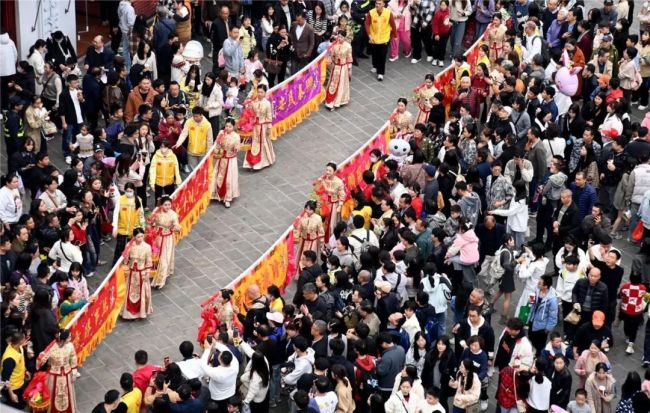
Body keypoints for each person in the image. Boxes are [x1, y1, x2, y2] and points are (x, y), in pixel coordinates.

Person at [36, 329, 78, 413]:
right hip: (53, 375)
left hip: (67, 373)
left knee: (67, 394)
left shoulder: (70, 345)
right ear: (64, 339)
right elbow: (41, 360)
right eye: (69, 337)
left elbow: (73, 357)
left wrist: (74, 371)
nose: (70, 338)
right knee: (53, 394)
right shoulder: (52, 347)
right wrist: (41, 358)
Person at [121, 228, 153, 320]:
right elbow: (126, 261)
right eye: (138, 237)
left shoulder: (147, 247)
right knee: (129, 292)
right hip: (131, 273)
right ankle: (128, 314)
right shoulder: (129, 245)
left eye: (142, 236)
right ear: (134, 237)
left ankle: (141, 312)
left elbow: (149, 261)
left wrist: (147, 273)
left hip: (141, 273)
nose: (140, 238)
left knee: (142, 294)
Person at [150, 196, 180, 289]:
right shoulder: (157, 212)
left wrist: (176, 228)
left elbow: (177, 226)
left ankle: (160, 281)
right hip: (157, 238)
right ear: (161, 205)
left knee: (164, 259)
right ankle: (156, 273)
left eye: (169, 205)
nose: (167, 207)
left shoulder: (173, 214)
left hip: (167, 239)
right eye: (165, 205)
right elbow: (151, 222)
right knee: (156, 257)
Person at [243, 84, 275, 170]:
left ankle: (262, 163)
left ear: (265, 93)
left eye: (262, 92)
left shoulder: (267, 104)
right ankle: (250, 162)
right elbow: (250, 113)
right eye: (259, 92)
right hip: (254, 126)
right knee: (253, 143)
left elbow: (269, 116)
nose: (260, 94)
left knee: (262, 142)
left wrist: (269, 127)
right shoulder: (254, 102)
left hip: (263, 126)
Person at [111, 182, 145, 264]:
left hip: (134, 229)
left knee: (132, 248)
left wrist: (142, 228)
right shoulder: (120, 199)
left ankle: (130, 264)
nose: (128, 192)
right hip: (122, 228)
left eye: (130, 191)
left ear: (133, 190)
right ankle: (115, 265)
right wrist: (115, 227)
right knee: (119, 248)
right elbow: (116, 213)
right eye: (127, 190)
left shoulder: (138, 200)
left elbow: (141, 215)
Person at [211, 118, 241, 208]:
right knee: (217, 175)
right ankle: (215, 194)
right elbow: (217, 144)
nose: (228, 128)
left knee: (229, 179)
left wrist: (236, 148)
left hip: (230, 160)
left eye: (230, 126)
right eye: (227, 126)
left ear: (233, 127)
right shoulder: (221, 133)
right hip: (221, 158)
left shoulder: (236, 136)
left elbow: (237, 148)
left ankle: (227, 198)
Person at [365, 0, 397, 81]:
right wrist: (369, 35)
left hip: (384, 38)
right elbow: (367, 23)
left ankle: (380, 73)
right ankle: (375, 66)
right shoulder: (371, 12)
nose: (377, 5)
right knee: (375, 54)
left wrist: (395, 35)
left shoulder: (388, 13)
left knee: (382, 56)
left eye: (379, 3)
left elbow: (393, 24)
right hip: (374, 38)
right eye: (376, 3)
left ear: (383, 4)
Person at [527, 275, 558, 355]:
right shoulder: (536, 290)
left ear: (545, 286)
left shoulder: (552, 300)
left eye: (540, 283)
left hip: (542, 327)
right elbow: (530, 302)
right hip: (532, 320)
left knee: (540, 345)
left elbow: (553, 316)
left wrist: (548, 328)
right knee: (530, 337)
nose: (538, 284)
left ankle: (538, 358)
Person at [325, 30, 353, 110]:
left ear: (344, 37)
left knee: (340, 85)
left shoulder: (348, 46)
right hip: (335, 67)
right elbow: (331, 55)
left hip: (343, 68)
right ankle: (330, 102)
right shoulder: (334, 45)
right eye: (338, 36)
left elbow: (349, 58)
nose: (339, 38)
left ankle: (337, 101)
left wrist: (349, 69)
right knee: (332, 84)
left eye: (341, 37)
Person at [1, 331, 27, 409]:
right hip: (13, 387)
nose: (25, 340)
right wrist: (11, 393)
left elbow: (20, 360)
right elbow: (5, 378)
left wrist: (25, 371)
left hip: (20, 382)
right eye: (24, 339)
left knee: (21, 402)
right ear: (19, 341)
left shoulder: (18, 347)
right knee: (15, 405)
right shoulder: (10, 359)